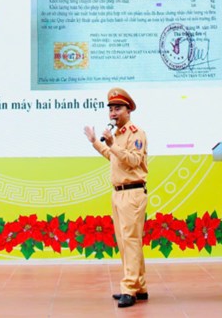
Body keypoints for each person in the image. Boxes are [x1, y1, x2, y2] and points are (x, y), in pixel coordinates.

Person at [84, 87, 148, 308]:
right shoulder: (117, 135)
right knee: (125, 242)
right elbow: (112, 157)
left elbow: (133, 160)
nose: (113, 113)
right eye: (111, 109)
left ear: (128, 110)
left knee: (130, 241)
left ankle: (129, 288)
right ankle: (139, 286)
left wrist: (113, 145)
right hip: (118, 193)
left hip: (133, 192)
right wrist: (96, 141)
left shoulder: (136, 133)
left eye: (118, 108)